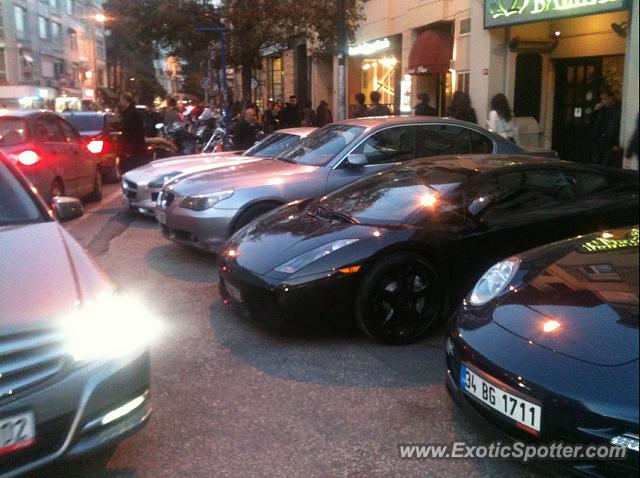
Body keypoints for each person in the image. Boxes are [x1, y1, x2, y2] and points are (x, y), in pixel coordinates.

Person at [591, 88, 621, 167]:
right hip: (598, 141)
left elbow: (616, 126)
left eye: (604, 98)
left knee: (606, 164)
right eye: (601, 99)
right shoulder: (601, 110)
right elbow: (593, 123)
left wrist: (615, 143)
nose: (602, 101)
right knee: (596, 164)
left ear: (611, 98)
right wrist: (596, 111)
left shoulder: (617, 110)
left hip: (609, 142)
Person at [118, 93, 146, 170]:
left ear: (125, 100)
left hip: (133, 149)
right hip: (132, 148)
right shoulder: (130, 113)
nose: (120, 102)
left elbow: (133, 132)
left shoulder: (132, 114)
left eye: (121, 100)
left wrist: (129, 149)